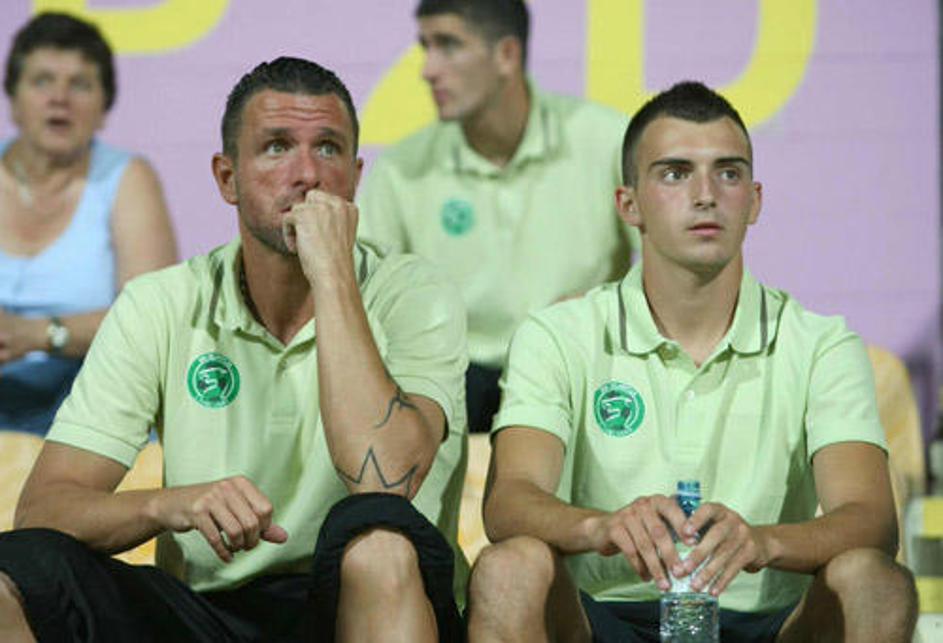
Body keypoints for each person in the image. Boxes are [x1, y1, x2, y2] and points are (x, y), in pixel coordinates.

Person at [0, 57, 468, 642]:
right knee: (24, 571)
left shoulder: (415, 294)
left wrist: (333, 277)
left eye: (327, 149)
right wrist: (167, 505)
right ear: (227, 179)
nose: (307, 175)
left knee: (380, 546)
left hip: (364, 604)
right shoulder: (162, 302)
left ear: (354, 177)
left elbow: (387, 481)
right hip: (209, 613)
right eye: (276, 147)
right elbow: (42, 513)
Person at [465, 81, 918, 642]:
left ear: (754, 200)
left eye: (727, 173)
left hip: (769, 625)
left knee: (874, 578)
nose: (705, 195)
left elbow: (872, 520)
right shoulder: (558, 334)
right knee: (510, 567)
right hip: (603, 620)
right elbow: (509, 503)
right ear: (628, 204)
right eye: (675, 173)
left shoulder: (822, 343)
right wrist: (601, 527)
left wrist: (765, 541)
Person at [358, 0, 636, 433]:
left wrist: (608, 306)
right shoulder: (401, 170)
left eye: (448, 45)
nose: (427, 70)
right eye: (426, 46)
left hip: (581, 360)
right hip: (453, 379)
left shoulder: (608, 140)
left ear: (507, 54)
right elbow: (365, 305)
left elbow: (671, 264)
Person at [0, 12, 177, 434]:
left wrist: (40, 334)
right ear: (14, 101)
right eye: (42, 81)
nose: (60, 98)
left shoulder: (128, 178)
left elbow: (153, 321)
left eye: (80, 84)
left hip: (89, 401)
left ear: (103, 109)